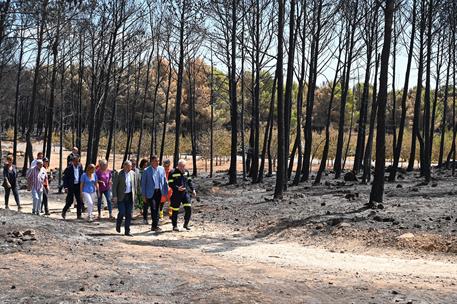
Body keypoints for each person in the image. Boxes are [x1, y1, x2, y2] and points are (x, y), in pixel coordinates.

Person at [141, 155, 169, 232]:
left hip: (158, 192)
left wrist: (166, 192)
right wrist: (143, 195)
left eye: (158, 161)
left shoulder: (161, 169)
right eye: (155, 161)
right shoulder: (146, 170)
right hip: (150, 192)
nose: (157, 162)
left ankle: (154, 226)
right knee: (153, 208)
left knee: (157, 208)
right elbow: (143, 184)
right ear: (151, 162)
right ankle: (155, 225)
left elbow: (164, 181)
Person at [168, 159, 196, 231]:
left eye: (183, 166)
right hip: (176, 195)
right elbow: (170, 183)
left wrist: (193, 189)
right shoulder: (172, 172)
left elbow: (189, 181)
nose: (182, 168)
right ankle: (175, 226)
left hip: (185, 194)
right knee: (175, 210)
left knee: (188, 209)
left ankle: (185, 225)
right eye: (181, 166)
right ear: (178, 165)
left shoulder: (186, 172)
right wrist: (177, 188)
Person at [112, 160, 137, 237]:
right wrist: (115, 196)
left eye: (131, 167)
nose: (130, 168)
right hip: (121, 196)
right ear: (124, 166)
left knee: (129, 214)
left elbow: (135, 185)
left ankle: (127, 231)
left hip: (129, 196)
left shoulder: (133, 174)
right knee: (122, 212)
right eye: (129, 167)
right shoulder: (118, 173)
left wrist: (135, 195)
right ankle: (118, 224)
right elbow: (114, 186)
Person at [61, 155, 84, 219]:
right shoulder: (69, 168)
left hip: (78, 185)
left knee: (79, 200)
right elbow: (65, 178)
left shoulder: (80, 166)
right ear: (73, 161)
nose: (77, 162)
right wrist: (65, 187)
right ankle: (64, 211)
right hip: (71, 186)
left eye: (78, 161)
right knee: (70, 201)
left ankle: (79, 215)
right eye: (76, 161)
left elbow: (82, 175)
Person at [138, 159, 149, 224]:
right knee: (145, 204)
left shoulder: (148, 171)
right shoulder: (139, 172)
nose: (145, 166)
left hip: (149, 190)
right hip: (142, 189)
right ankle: (145, 218)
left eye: (146, 165)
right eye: (144, 164)